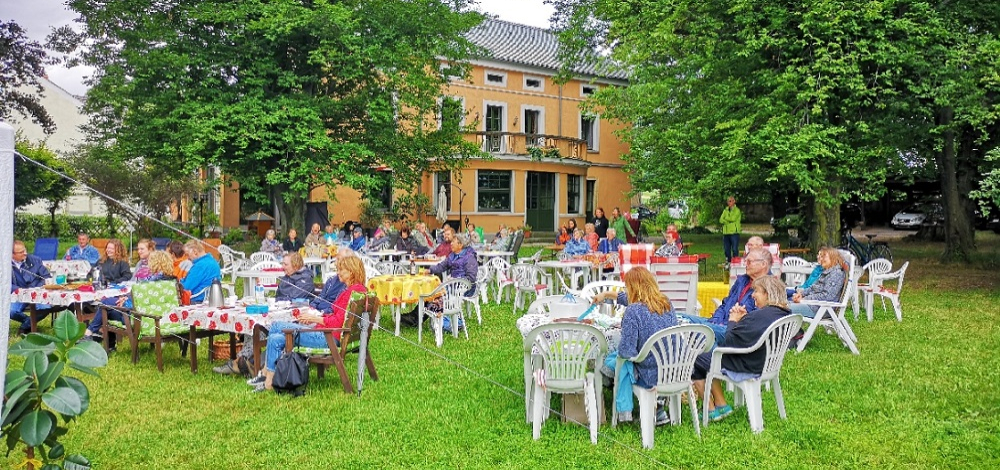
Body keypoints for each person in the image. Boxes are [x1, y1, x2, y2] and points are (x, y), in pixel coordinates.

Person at [253, 256, 367, 392]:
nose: (338, 272)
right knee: (275, 338)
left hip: (328, 339)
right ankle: (269, 379)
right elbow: (339, 317)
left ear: (351, 272)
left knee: (277, 326)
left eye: (341, 269)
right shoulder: (358, 290)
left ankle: (266, 377)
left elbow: (337, 322)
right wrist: (318, 316)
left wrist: (315, 319)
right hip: (331, 336)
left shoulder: (350, 292)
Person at [691, 276, 792, 422]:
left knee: (696, 356)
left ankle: (710, 409)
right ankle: (720, 405)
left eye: (756, 291)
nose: (752, 295)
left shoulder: (760, 316)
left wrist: (733, 320)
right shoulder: (782, 313)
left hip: (746, 363)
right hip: (764, 362)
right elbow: (751, 332)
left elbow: (729, 342)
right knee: (706, 357)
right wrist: (744, 319)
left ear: (767, 293)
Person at [604, 267, 679, 423]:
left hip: (648, 374)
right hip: (672, 371)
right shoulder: (666, 302)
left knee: (614, 359)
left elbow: (627, 352)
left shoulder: (633, 311)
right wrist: (606, 295)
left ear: (632, 288)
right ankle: (658, 407)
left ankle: (611, 389)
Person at [81, 251, 176, 347]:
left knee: (105, 305)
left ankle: (93, 335)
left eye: (150, 261)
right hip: (160, 319)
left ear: (156, 263)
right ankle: (91, 334)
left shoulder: (148, 283)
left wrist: (126, 301)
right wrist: (127, 298)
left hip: (140, 319)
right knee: (107, 307)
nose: (148, 263)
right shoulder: (171, 281)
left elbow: (138, 302)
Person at [680, 248, 773, 342]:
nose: (746, 264)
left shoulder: (768, 288)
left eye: (749, 262)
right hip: (717, 324)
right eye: (745, 261)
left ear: (763, 264)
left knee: (685, 326)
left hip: (733, 331)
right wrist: (715, 320)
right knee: (679, 317)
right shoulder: (742, 281)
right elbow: (725, 304)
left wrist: (728, 323)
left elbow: (756, 320)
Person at [10, 240, 62, 335]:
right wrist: (18, 290)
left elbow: (46, 276)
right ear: (12, 254)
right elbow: (5, 283)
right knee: (10, 311)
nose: (25, 253)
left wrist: (45, 282)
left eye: (25, 250)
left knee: (45, 308)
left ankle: (25, 327)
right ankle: (30, 322)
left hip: (36, 293)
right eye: (21, 252)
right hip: (18, 294)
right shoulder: (5, 265)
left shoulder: (35, 260)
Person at [789, 247, 847, 317]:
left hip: (820, 309)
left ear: (833, 258)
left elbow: (827, 297)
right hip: (813, 305)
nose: (821, 259)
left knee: (783, 310)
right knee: (782, 306)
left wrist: (804, 299)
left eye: (824, 257)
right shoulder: (827, 271)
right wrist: (801, 294)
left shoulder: (836, 274)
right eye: (821, 257)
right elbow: (813, 287)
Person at [720, 196, 742, 267]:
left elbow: (733, 218)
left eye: (730, 201)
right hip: (726, 233)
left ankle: (736, 262)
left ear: (734, 201)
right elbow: (720, 220)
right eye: (728, 201)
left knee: (735, 249)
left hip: (734, 233)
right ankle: (728, 262)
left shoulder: (737, 210)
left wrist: (725, 219)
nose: (728, 202)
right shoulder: (725, 210)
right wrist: (727, 221)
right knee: (726, 249)